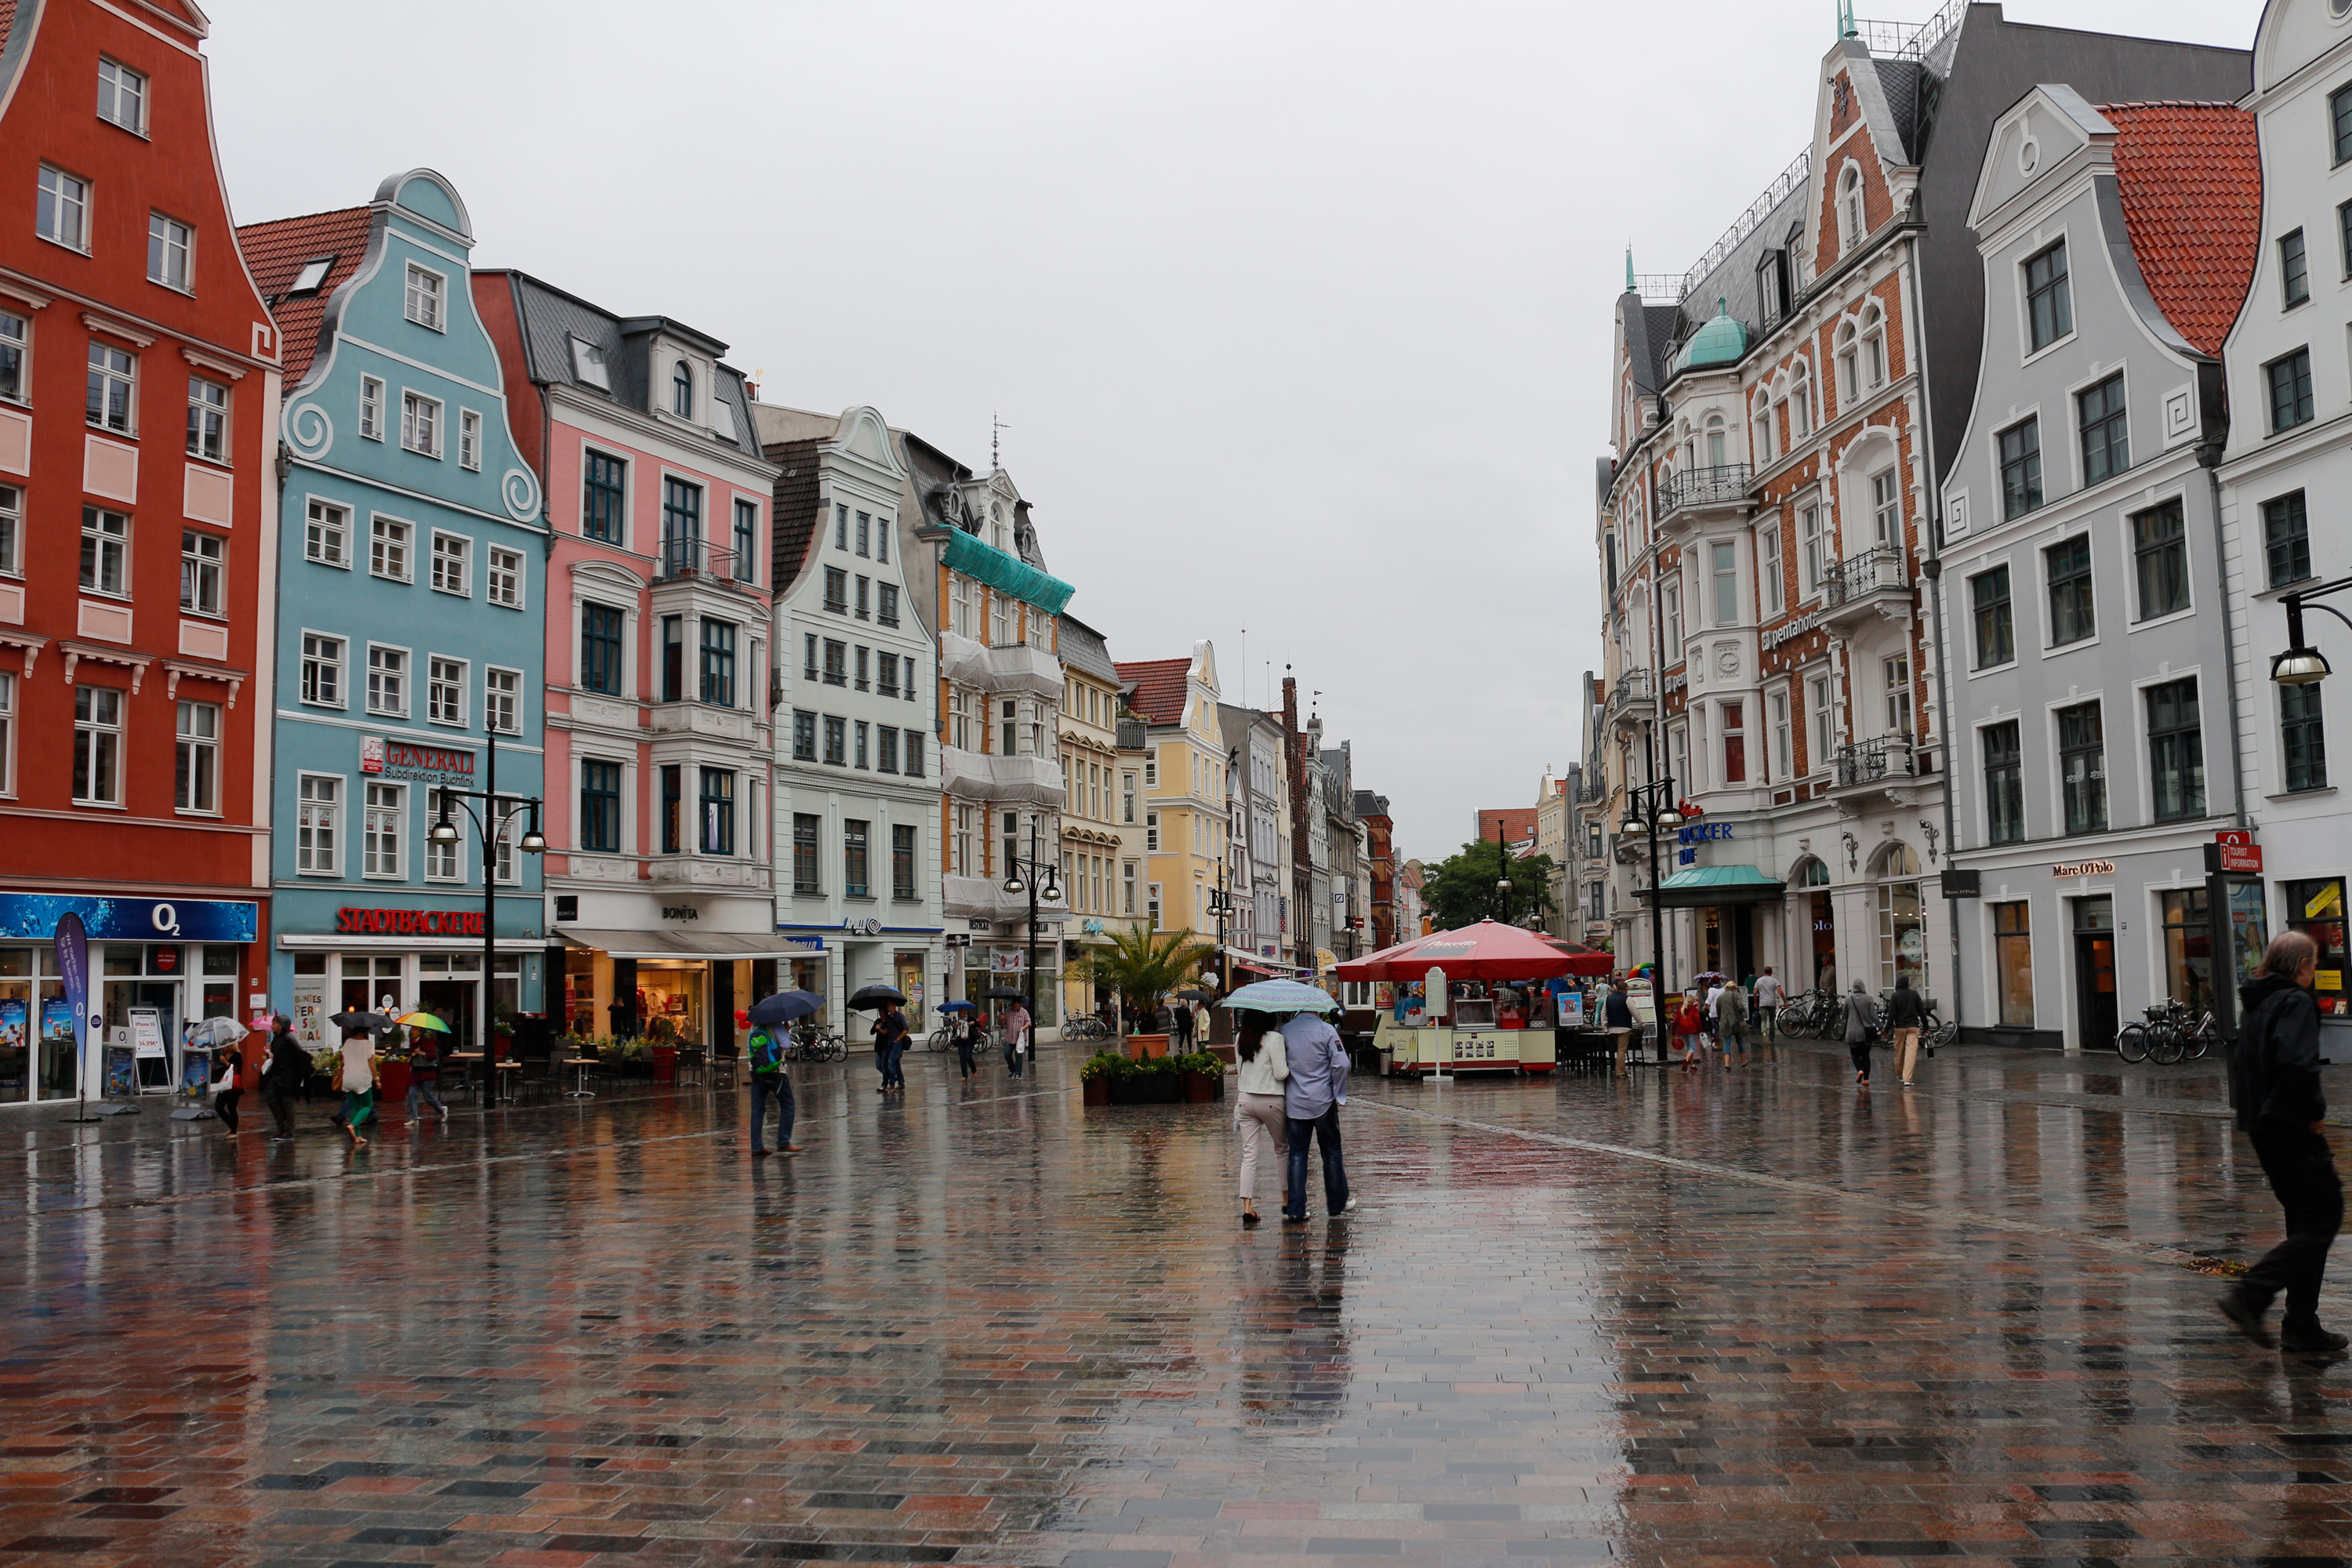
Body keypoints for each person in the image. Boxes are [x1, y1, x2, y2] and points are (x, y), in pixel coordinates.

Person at [2217, 931, 2347, 1354]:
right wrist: (2313, 1112)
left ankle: (2301, 1325)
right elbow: (2295, 1061)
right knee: (2323, 1217)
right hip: (2290, 1126)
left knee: (2305, 1222)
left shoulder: (2258, 1001)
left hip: (2263, 1127)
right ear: (2302, 966)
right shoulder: (2294, 1001)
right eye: (2314, 964)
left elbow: (2245, 1065)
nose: (2315, 971)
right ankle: (2251, 1294)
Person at [1280, 1006, 1352, 1222]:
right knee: (1331, 1152)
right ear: (1318, 1009)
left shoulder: (1285, 1031)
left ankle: (1295, 1209)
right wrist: (1336, 1089)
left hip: (1295, 1102)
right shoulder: (1327, 1030)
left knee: (1297, 1155)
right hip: (1323, 1100)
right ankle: (1336, 1203)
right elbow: (1342, 1063)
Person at [1232, 1010, 1289, 1226]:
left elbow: (1240, 1071)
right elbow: (1280, 1074)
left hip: (1246, 1100)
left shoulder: (1241, 1037)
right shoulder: (1275, 1038)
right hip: (1272, 1099)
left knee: (1249, 1155)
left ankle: (1248, 1206)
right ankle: (1285, 1199)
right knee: (1282, 1150)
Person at [746, 1024, 799, 1156]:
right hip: (775, 1071)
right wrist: (786, 1031)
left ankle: (756, 1146)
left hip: (756, 1071)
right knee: (788, 1104)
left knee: (757, 1110)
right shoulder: (776, 1025)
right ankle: (784, 1141)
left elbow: (749, 1048)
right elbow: (786, 1045)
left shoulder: (754, 1027)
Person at [262, 1016, 306, 1140]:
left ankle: (289, 1130)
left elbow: (297, 1055)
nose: (272, 1026)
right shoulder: (276, 1038)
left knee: (288, 1103)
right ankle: (281, 1127)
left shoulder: (288, 1039)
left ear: (281, 1025)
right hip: (276, 1074)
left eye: (275, 1024)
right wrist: (270, 1052)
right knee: (272, 1100)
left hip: (288, 1076)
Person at [336, 1027, 377, 1149]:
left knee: (355, 1106)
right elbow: (372, 1063)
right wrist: (377, 1079)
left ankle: (357, 1136)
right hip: (362, 1079)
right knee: (367, 1105)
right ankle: (353, 1125)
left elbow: (342, 1058)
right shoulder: (367, 1044)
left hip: (348, 1078)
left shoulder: (347, 1042)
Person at [1886, 974, 1926, 1086]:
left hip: (1899, 1027)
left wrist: (1886, 1029)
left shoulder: (1895, 996)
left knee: (1899, 1052)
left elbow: (1891, 1016)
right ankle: (1907, 1079)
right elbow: (1922, 1012)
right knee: (1911, 1053)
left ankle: (1900, 1075)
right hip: (1913, 1026)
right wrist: (1927, 1028)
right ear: (1907, 983)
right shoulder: (1914, 994)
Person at [405, 1026, 448, 1122]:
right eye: (412, 1030)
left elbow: (433, 1055)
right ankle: (414, 1118)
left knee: (428, 1097)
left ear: (420, 1031)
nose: (412, 1032)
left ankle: (441, 1110)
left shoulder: (425, 1041)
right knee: (412, 1094)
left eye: (415, 1030)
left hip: (427, 1072)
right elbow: (412, 1054)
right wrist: (413, 1055)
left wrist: (421, 1053)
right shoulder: (413, 1042)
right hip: (416, 1071)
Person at [212, 1033, 245, 1138]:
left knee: (232, 1108)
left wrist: (226, 1062)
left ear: (230, 1045)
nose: (223, 1048)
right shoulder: (224, 1056)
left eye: (224, 1045)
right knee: (219, 1107)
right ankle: (231, 1126)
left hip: (234, 1086)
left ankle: (234, 1132)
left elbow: (236, 1070)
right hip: (225, 1086)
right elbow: (224, 1072)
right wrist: (216, 1068)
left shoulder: (237, 1055)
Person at [1843, 980, 1875, 1089]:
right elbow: (1873, 1016)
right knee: (1866, 1055)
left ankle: (1859, 1070)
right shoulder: (1869, 999)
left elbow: (1844, 1014)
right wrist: (1880, 1026)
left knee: (1855, 1054)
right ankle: (1866, 1079)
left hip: (1853, 1031)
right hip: (1866, 1032)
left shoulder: (1848, 999)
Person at [873, 1000, 911, 1094]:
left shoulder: (900, 1016)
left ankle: (892, 1084)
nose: (888, 1007)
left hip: (897, 1043)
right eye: (887, 1005)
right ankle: (901, 1083)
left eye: (890, 1005)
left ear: (894, 1006)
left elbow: (906, 1029)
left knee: (891, 1061)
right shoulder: (889, 1018)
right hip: (889, 1043)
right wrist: (879, 1029)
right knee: (894, 1063)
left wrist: (898, 1039)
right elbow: (886, 1032)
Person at [1604, 979, 1637, 1072]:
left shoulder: (1608, 999)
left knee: (1619, 1049)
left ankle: (1620, 1069)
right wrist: (1641, 1023)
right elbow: (1635, 1012)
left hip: (1612, 1027)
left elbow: (1604, 1013)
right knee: (1622, 1050)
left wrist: (1604, 1027)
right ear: (1626, 989)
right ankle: (1620, 1072)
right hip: (1624, 1027)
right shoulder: (1627, 998)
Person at [1718, 978, 1750, 1069]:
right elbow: (1741, 1007)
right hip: (1736, 1021)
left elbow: (1718, 1010)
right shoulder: (1736, 995)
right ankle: (1743, 1061)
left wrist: (1721, 1019)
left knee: (1727, 1042)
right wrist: (1742, 1011)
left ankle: (1727, 1064)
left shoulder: (1720, 997)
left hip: (1725, 1022)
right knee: (1739, 1041)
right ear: (1734, 987)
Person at [1752, 967, 1784, 1049]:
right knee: (1772, 1020)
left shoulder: (1759, 980)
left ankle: (1764, 1032)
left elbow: (1755, 992)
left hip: (1763, 1002)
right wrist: (1785, 1001)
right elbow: (1780, 992)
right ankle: (1771, 1038)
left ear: (1764, 972)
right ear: (1771, 972)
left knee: (1763, 1020)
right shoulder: (1774, 980)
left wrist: (1756, 1002)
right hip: (1772, 1002)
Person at [1004, 998, 1031, 1076]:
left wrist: (1024, 1028)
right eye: (1019, 1003)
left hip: (1019, 1038)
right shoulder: (1008, 1012)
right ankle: (1012, 1069)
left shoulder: (1024, 1012)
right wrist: (1002, 1018)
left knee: (1019, 1055)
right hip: (1009, 1038)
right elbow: (1003, 1023)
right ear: (1014, 1004)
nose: (1020, 1005)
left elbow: (1029, 1023)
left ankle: (1018, 1073)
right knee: (1007, 1054)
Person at [953, 1010, 979, 1080]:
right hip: (961, 1041)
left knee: (968, 1056)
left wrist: (973, 1023)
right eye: (962, 1012)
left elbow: (978, 1024)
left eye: (965, 1011)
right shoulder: (957, 1021)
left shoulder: (970, 1019)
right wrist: (955, 1026)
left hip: (969, 1041)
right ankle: (964, 1075)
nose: (964, 1013)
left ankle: (974, 1070)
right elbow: (954, 1032)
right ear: (959, 1013)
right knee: (962, 1058)